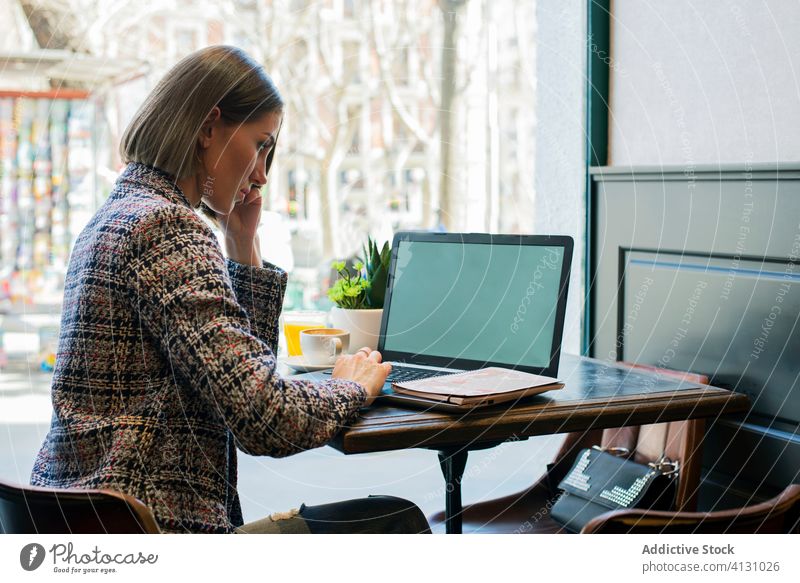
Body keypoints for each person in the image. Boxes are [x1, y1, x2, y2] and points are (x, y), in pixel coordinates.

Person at [30, 45, 430, 535]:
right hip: (154, 533)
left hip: (91, 527)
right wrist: (351, 386)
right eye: (261, 144)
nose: (262, 173)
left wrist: (242, 240)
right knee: (395, 520)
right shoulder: (166, 228)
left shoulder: (118, 214)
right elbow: (263, 418)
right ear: (207, 127)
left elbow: (238, 378)